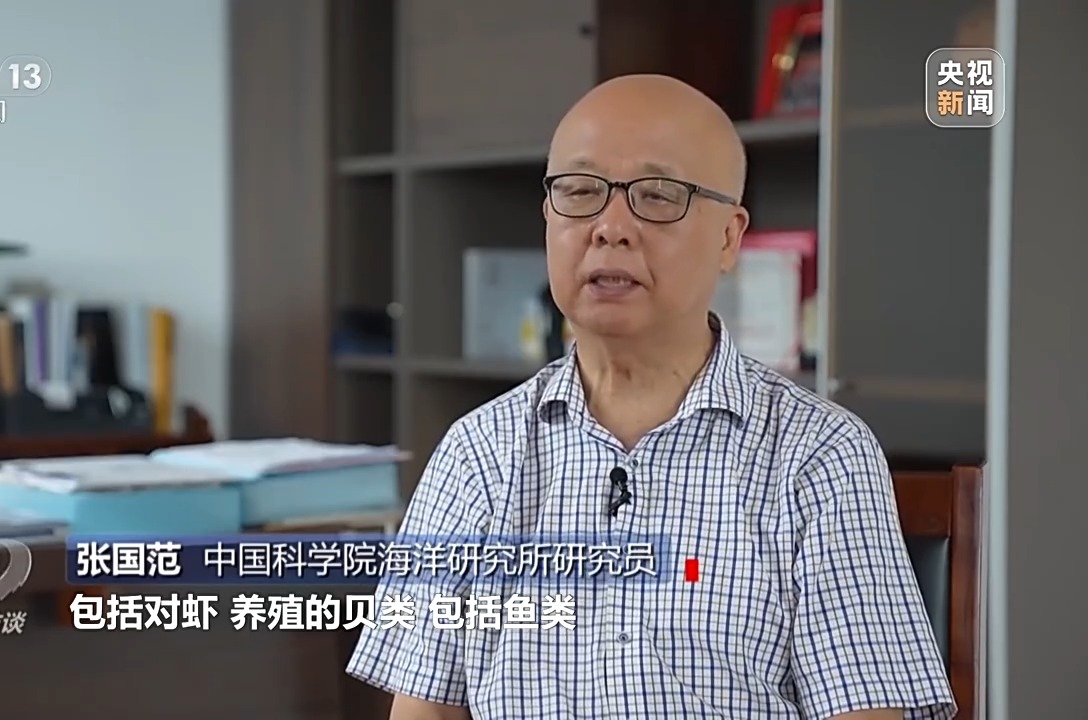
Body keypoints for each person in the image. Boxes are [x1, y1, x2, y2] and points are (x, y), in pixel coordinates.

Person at [346, 74, 956, 720]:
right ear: (549, 215)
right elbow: (425, 710)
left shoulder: (819, 453)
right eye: (580, 192)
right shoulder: (478, 453)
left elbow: (863, 710)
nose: (610, 228)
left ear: (729, 237)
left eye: (658, 196)